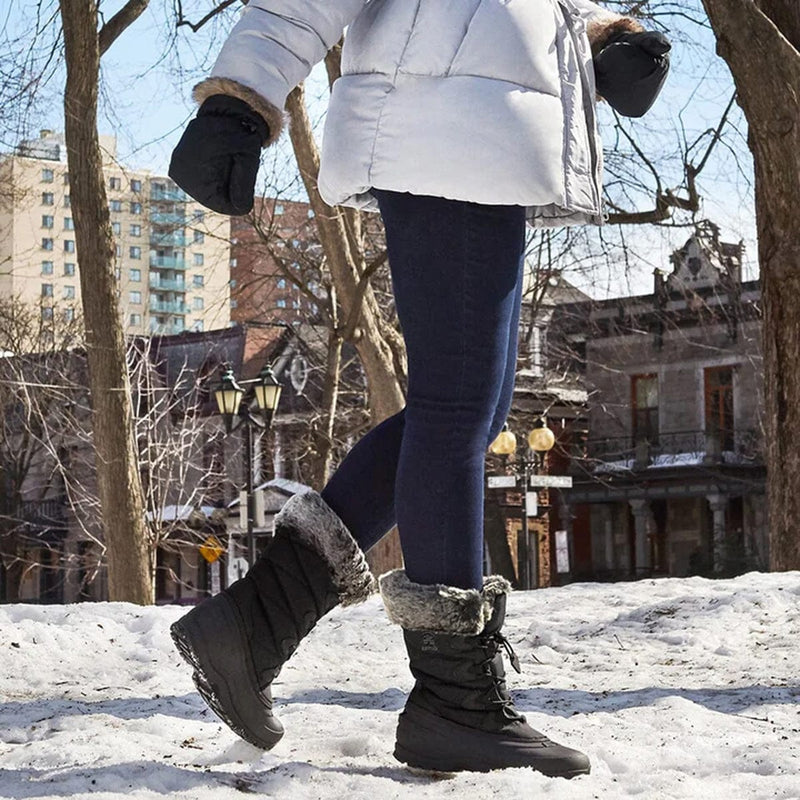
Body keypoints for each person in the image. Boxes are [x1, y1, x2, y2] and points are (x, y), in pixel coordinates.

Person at [168, 0, 670, 778]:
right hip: (446, 131)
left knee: (469, 408)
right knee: (457, 410)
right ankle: (453, 701)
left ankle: (255, 625)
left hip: (485, 137)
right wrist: (240, 98)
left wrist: (609, 36)